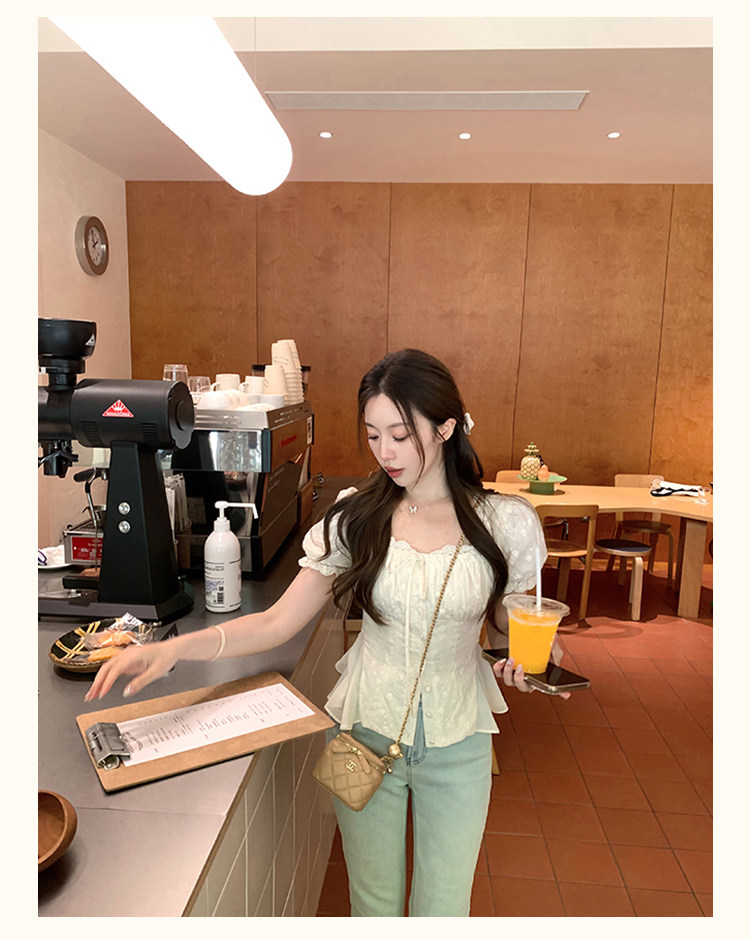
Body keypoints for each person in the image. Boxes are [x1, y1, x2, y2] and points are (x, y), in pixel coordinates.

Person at [85, 348, 549, 917]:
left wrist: (522, 661)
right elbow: (276, 621)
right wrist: (175, 648)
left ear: (446, 428)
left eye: (401, 435)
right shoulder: (357, 517)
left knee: (445, 907)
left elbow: (509, 627)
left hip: (460, 740)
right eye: (373, 435)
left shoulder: (503, 523)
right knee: (372, 905)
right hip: (362, 734)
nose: (384, 453)